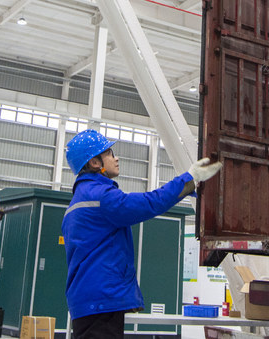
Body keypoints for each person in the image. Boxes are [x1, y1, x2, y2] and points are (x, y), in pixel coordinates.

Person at [62, 129, 223, 338]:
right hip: (101, 301)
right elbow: (149, 203)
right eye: (109, 153)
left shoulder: (76, 204)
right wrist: (190, 178)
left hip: (89, 301)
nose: (116, 158)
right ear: (94, 162)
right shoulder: (100, 197)